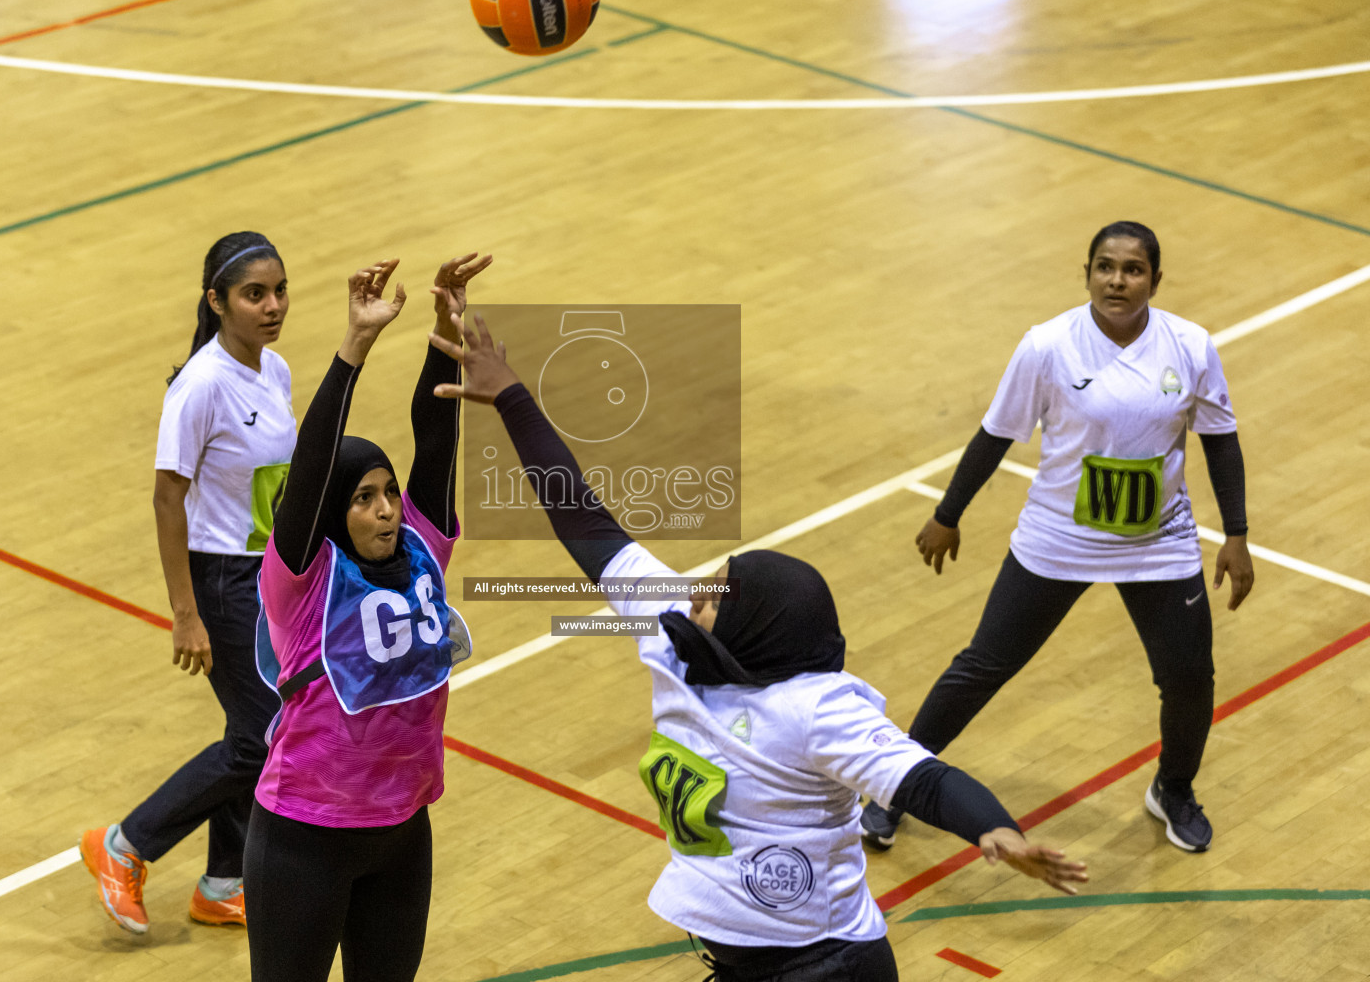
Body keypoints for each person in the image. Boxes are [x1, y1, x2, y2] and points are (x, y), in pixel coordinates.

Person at [428, 311, 1088, 982]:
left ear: (758, 630)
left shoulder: (817, 708)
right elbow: (583, 518)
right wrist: (511, 396)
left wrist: (996, 830)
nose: (694, 596)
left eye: (714, 595)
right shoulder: (675, 627)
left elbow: (925, 779)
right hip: (743, 963)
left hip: (827, 967)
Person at [861, 221, 1253, 855]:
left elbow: (1220, 439)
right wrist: (948, 512)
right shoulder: (1047, 346)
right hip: (1057, 537)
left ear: (1155, 278)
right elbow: (995, 433)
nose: (1117, 280)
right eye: (1105, 267)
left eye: (1132, 269)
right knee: (983, 666)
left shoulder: (1190, 345)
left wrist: (1236, 533)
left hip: (1157, 543)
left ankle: (1172, 790)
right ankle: (892, 784)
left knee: (1189, 679)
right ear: (1087, 272)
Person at [243, 252, 489, 982]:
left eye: (387, 492)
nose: (384, 508)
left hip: (401, 832)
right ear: (329, 512)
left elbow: (436, 439)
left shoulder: (421, 547)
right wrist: (354, 347)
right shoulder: (302, 579)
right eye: (362, 498)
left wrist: (445, 329)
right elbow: (314, 462)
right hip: (304, 836)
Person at [80, 232, 295, 933]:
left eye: (278, 291)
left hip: (267, 577)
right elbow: (167, 498)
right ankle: (125, 845)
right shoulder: (200, 386)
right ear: (217, 300)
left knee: (254, 725)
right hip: (221, 579)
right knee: (264, 739)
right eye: (253, 294)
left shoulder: (277, 372)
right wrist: (185, 613)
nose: (271, 306)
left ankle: (223, 881)